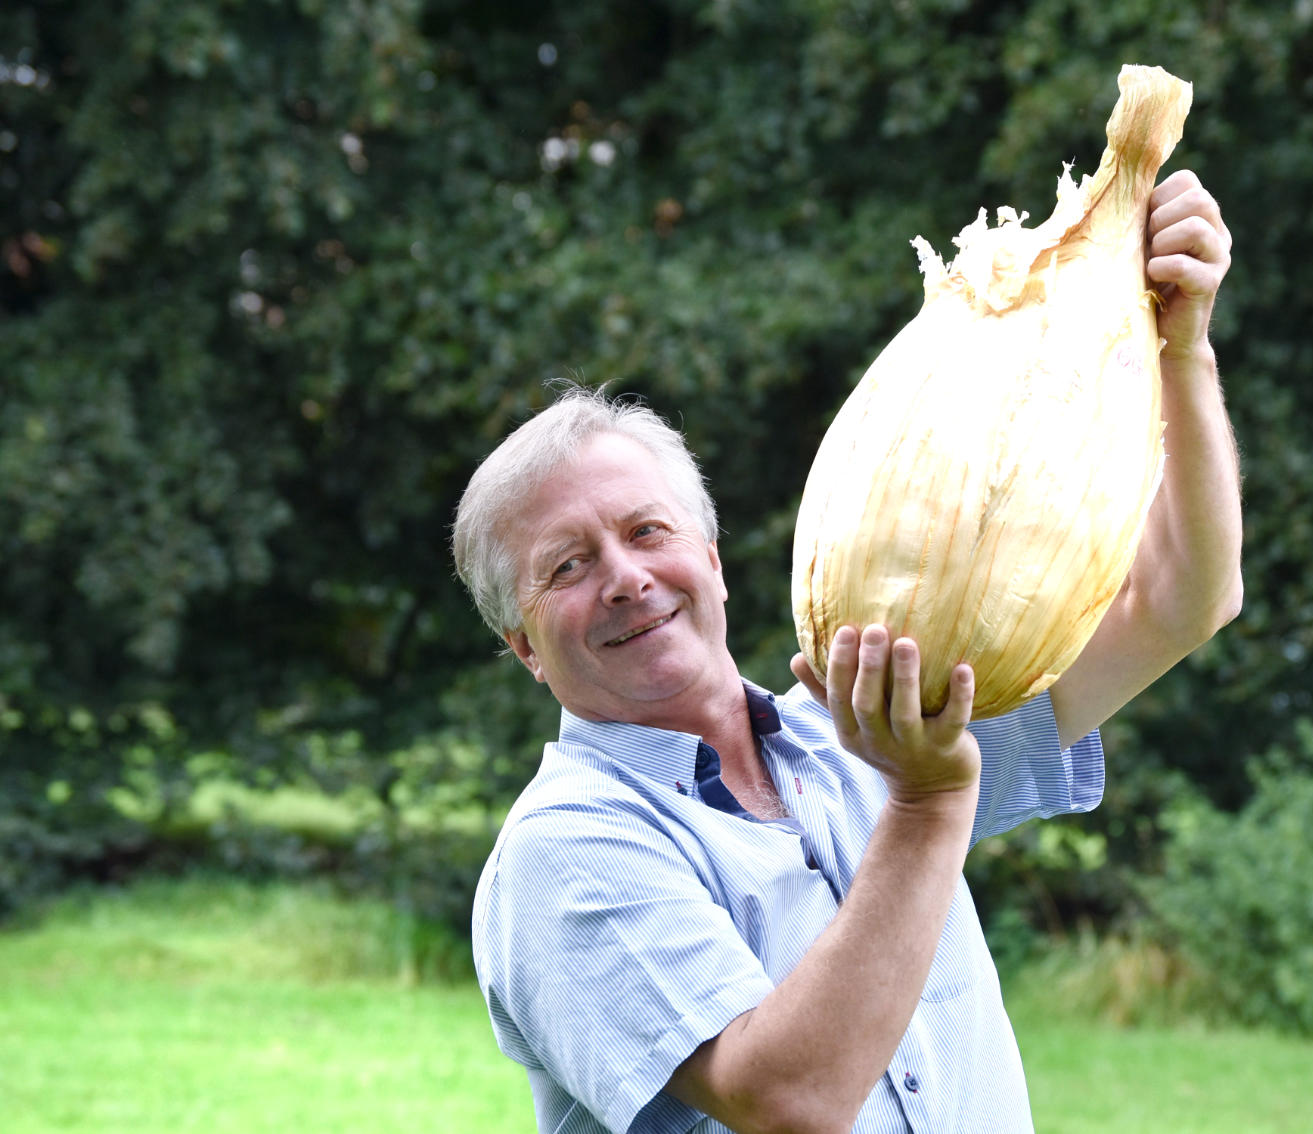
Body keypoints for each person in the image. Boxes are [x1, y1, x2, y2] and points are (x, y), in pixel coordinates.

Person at [452, 169, 1241, 1134]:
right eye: (567, 565)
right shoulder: (566, 853)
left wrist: (1182, 349)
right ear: (524, 646)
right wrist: (928, 803)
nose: (624, 577)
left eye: (647, 532)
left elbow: (1179, 603)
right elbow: (785, 1099)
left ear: (712, 557)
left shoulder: (869, 727)